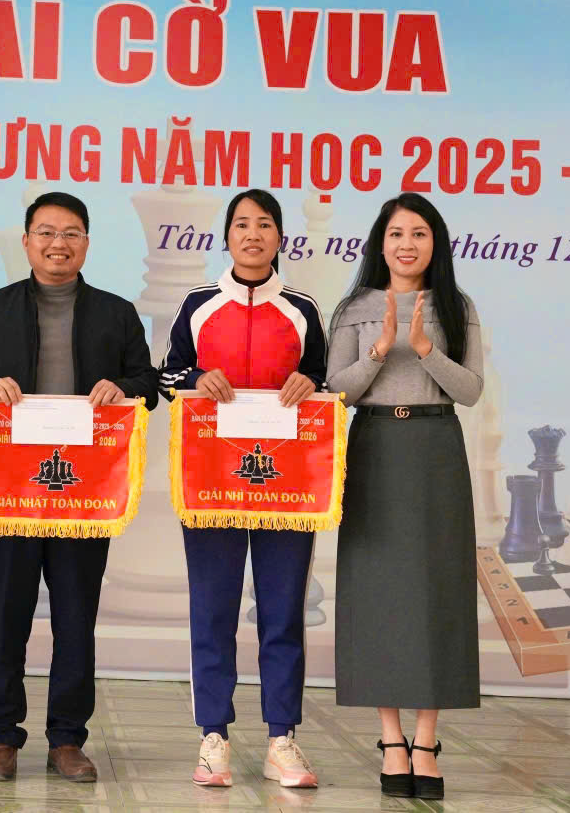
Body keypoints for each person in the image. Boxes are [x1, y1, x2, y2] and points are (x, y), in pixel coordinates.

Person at [0, 191, 158, 782]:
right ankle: (1, 737)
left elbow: (148, 383)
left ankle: (68, 739)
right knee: (6, 614)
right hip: (11, 490)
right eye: (45, 232)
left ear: (86, 243)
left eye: (70, 233)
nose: (57, 243)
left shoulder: (116, 312)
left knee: (75, 617)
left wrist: (123, 388)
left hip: (84, 493)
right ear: (26, 241)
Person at [159, 188, 328, 789]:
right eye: (241, 224)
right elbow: (167, 375)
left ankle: (282, 737)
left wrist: (310, 382)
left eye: (263, 225)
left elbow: (324, 380)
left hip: (288, 484)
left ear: (280, 237)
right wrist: (197, 377)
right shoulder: (198, 304)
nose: (252, 234)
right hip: (211, 482)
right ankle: (214, 736)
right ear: (226, 237)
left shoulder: (303, 309)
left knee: (282, 612)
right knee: (213, 610)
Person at [326, 192, 483, 800]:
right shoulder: (355, 308)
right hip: (373, 446)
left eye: (419, 233)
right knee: (378, 591)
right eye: (396, 234)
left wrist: (423, 349)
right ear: (380, 243)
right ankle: (391, 739)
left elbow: (469, 390)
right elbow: (336, 391)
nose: (407, 244)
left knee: (435, 588)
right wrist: (378, 348)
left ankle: (426, 740)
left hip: (436, 445)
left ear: (435, 243)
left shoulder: (456, 306)